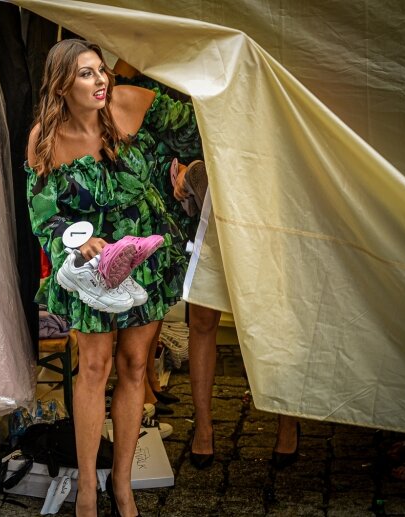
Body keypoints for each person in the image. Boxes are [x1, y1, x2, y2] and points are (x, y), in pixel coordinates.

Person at [26, 39, 188, 517]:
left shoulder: (129, 103)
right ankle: (87, 493)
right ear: (61, 85)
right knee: (94, 369)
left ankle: (122, 484)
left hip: (143, 258)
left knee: (137, 365)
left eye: (101, 71)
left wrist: (186, 170)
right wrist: (76, 244)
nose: (100, 81)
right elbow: (43, 217)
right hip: (93, 272)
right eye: (86, 74)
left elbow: (200, 130)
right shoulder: (45, 138)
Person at [114, 60, 301, 470]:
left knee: (276, 316)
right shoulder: (175, 81)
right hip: (210, 202)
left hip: (267, 195)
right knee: (202, 317)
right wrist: (189, 174)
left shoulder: (262, 71)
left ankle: (288, 424)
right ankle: (203, 428)